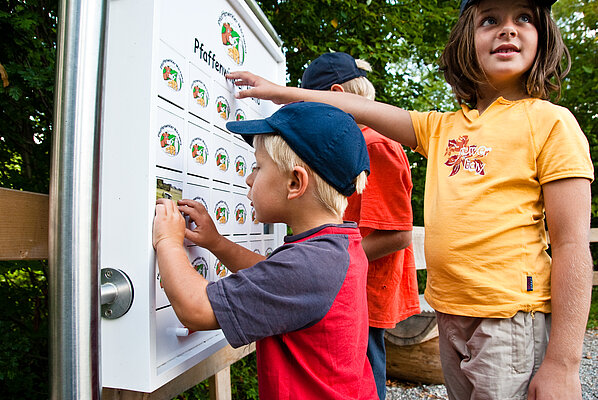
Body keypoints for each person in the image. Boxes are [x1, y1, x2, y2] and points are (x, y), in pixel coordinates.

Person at [225, 0, 595, 398]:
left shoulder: (552, 122)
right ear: (466, 41)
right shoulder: (442, 127)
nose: (507, 29)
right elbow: (360, 107)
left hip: (508, 318)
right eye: (490, 20)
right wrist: (280, 93)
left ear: (544, 37)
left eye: (523, 18)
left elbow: (571, 243)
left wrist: (563, 362)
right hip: (450, 312)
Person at [152, 101, 378, 399]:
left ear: (295, 182)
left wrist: (167, 239)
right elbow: (272, 278)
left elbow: (195, 309)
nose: (248, 178)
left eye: (257, 166)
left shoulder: (311, 263)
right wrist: (217, 243)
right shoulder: (336, 246)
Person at [301, 51, 420, 400]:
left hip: (364, 293)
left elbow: (398, 233)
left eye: (315, 103)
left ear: (337, 95)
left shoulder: (375, 144)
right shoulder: (356, 144)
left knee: (363, 382)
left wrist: (329, 261)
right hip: (352, 289)